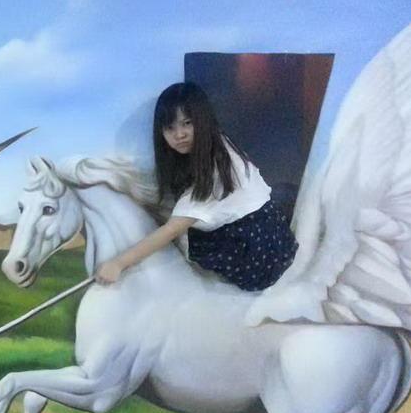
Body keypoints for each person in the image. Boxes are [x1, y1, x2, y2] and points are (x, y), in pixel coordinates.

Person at [95, 82, 297, 291]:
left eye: (187, 123)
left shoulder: (213, 174)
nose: (179, 134)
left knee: (191, 245)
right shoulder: (217, 142)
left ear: (203, 120)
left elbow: (171, 230)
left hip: (256, 253)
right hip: (269, 229)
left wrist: (118, 263)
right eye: (170, 127)